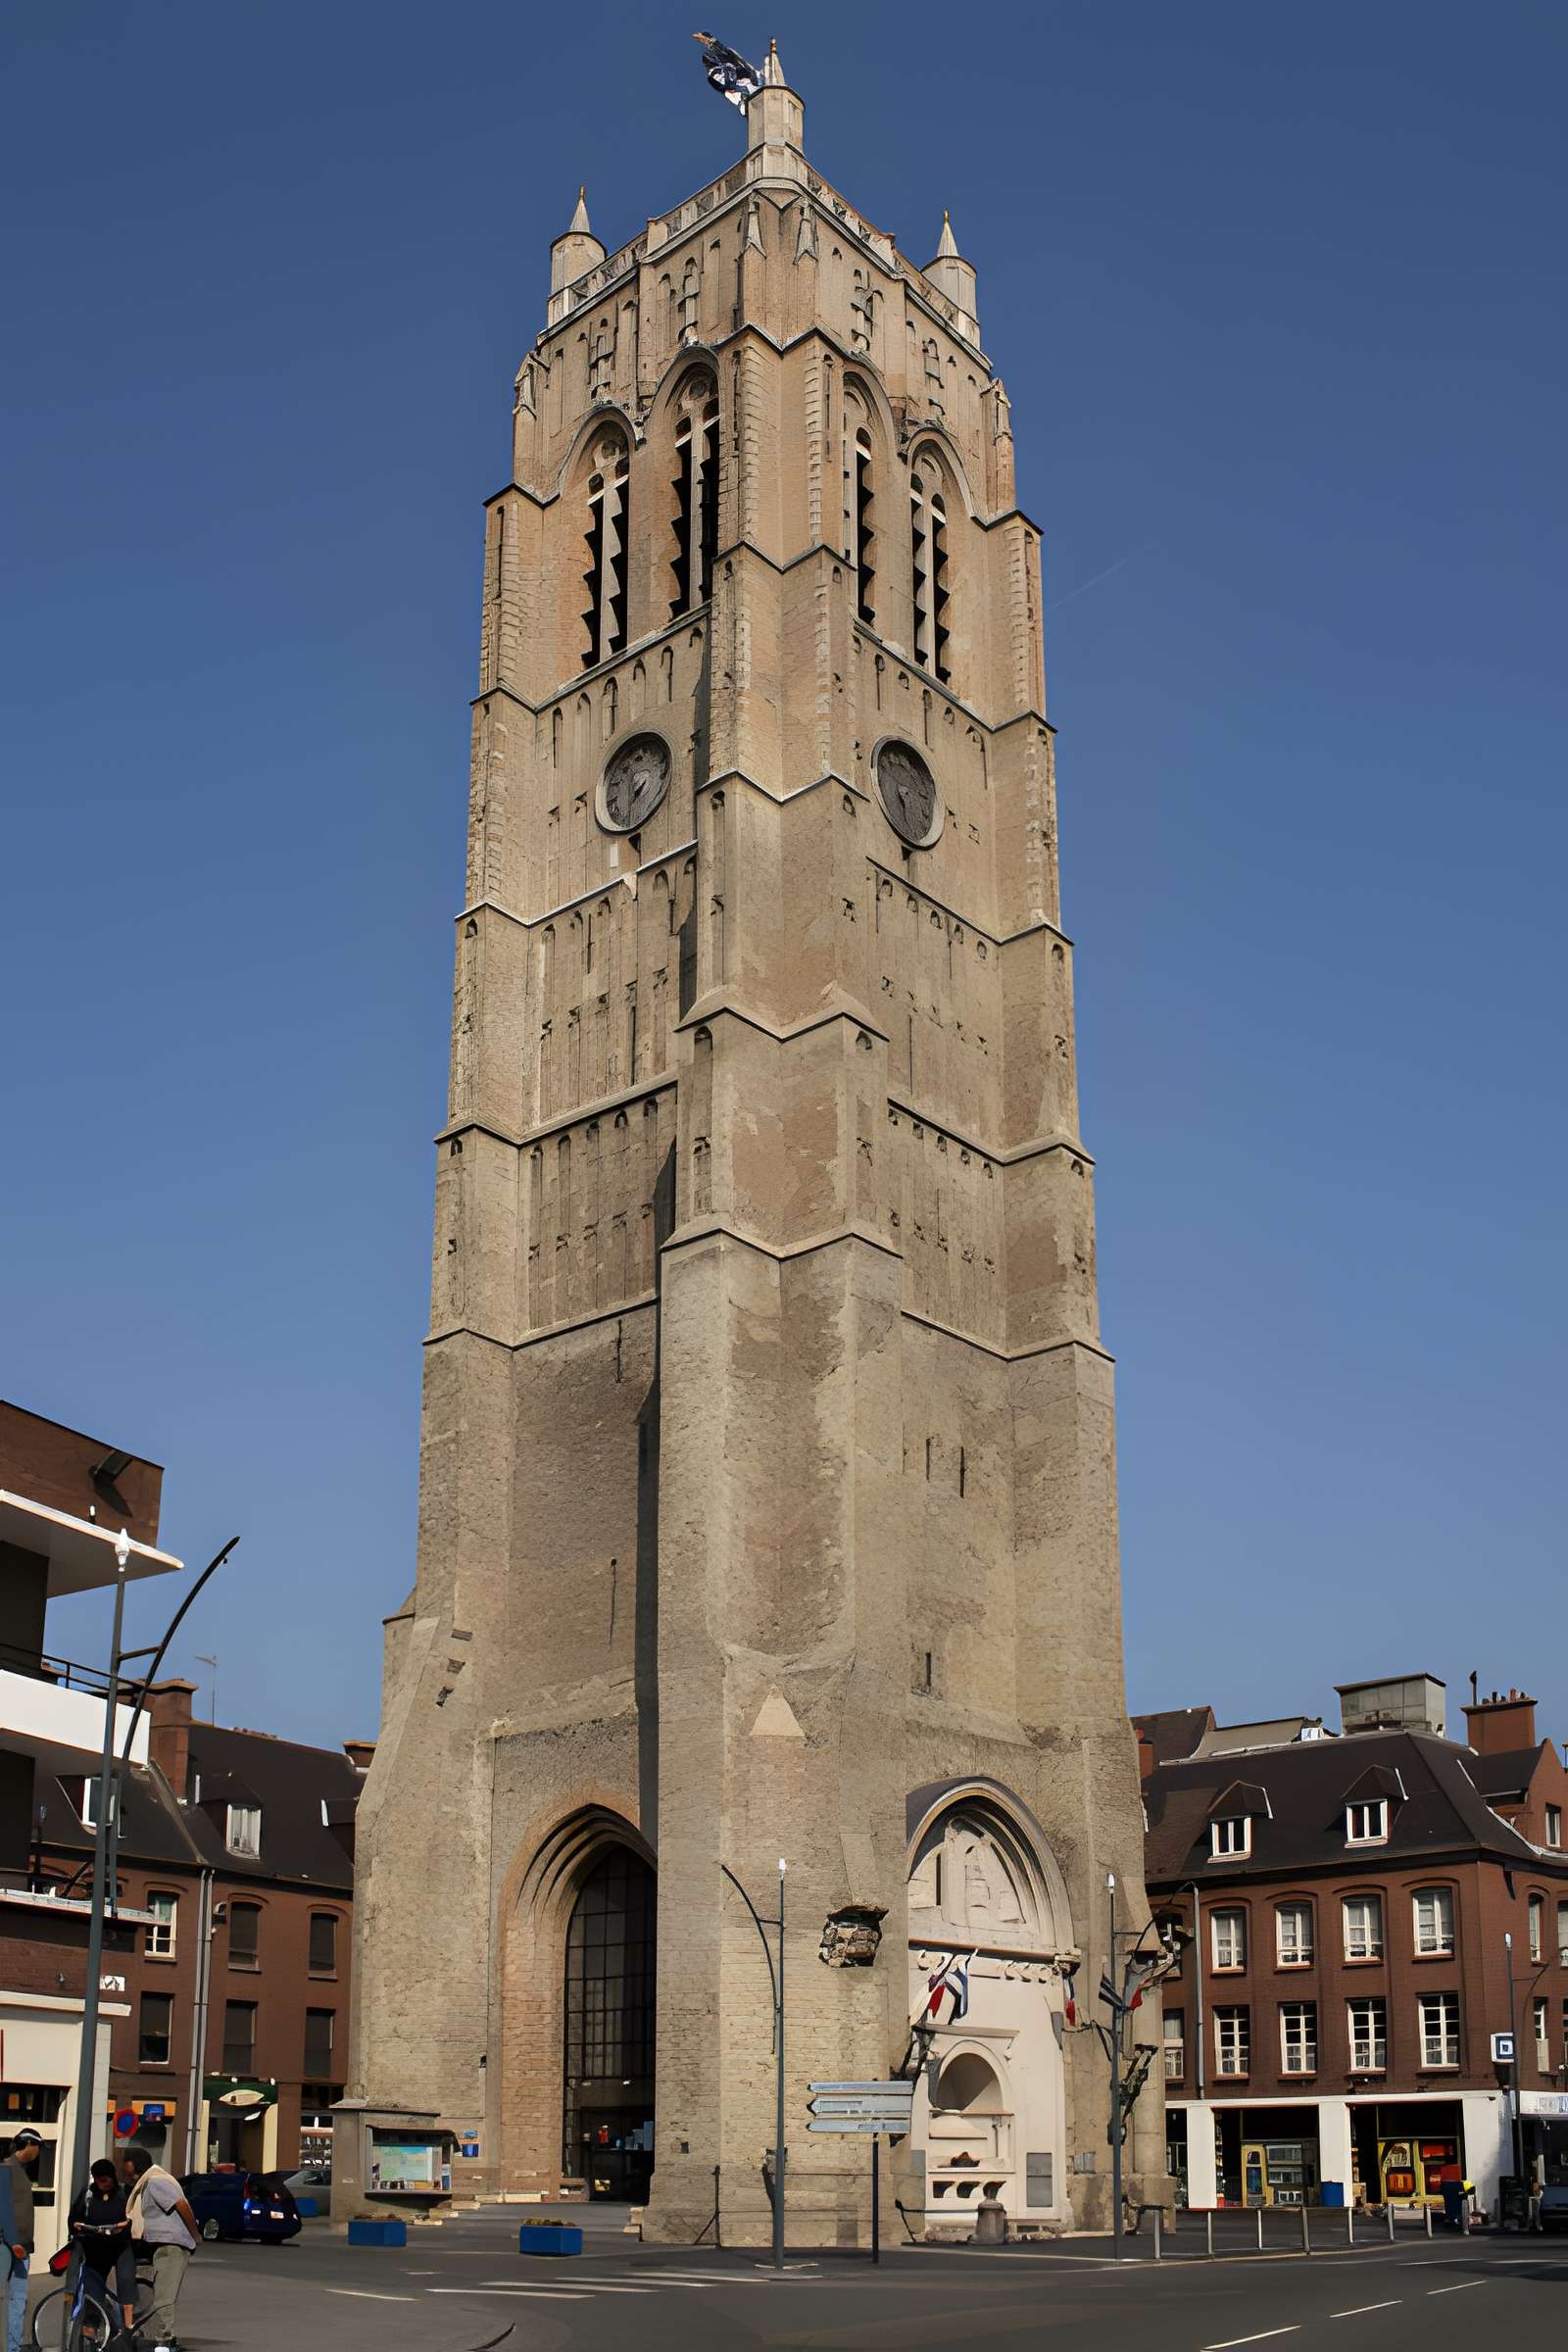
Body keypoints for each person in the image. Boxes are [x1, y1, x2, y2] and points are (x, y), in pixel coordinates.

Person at [122, 2146, 197, 2351]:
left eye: (125, 2162)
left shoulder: (156, 2181)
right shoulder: (147, 2182)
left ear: (133, 2164)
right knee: (151, 2292)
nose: (123, 2167)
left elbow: (182, 2205)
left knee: (164, 2296)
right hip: (158, 2244)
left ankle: (164, 2342)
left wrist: (195, 2235)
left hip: (171, 2245)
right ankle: (156, 2337)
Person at [68, 2159, 135, 2332]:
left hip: (120, 2245)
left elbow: (135, 2218)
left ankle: (129, 2326)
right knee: (93, 2285)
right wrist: (77, 2227)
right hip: (95, 2247)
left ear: (112, 2178)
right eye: (98, 2180)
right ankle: (91, 2325)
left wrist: (125, 2225)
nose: (101, 2184)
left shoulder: (124, 2193)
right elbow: (74, 2219)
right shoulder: (88, 2195)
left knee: (126, 2281)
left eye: (104, 2180)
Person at [0, 2130, 43, 2352]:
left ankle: (12, 2348)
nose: (38, 2153)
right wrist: (13, 2241)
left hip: (21, 2248)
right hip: (7, 2247)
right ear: (27, 2144)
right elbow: (3, 2208)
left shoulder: (21, 2171)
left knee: (18, 2301)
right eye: (37, 2147)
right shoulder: (6, 2169)